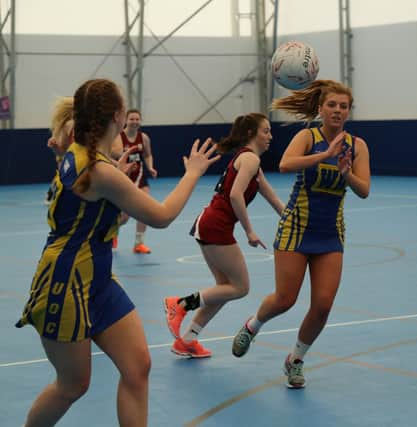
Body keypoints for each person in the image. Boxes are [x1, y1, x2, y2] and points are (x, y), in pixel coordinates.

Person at [15, 78, 219, 427]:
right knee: (73, 385)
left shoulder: (79, 152)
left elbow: (100, 218)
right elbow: (163, 216)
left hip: (97, 280)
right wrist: (193, 172)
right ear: (118, 116)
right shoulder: (100, 170)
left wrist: (117, 199)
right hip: (65, 285)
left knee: (138, 366)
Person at [231, 80, 371, 388]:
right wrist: (324, 156)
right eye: (332, 105)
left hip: (330, 233)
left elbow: (365, 191)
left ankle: (295, 359)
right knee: (284, 300)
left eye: (343, 106)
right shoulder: (308, 137)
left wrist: (347, 173)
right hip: (296, 227)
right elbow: (284, 164)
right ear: (321, 108)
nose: (337, 110)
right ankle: (253, 325)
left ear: (349, 111)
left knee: (322, 306)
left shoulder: (357, 146)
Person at [163, 113, 284, 358]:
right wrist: (249, 230)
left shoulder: (251, 162)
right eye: (266, 131)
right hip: (216, 226)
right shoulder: (249, 158)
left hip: (208, 223)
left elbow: (270, 195)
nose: (270, 136)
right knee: (240, 288)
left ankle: (187, 340)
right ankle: (181, 304)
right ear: (251, 134)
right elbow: (235, 195)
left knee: (224, 289)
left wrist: (291, 217)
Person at [112, 109, 158, 253]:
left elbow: (148, 155)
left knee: (144, 209)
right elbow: (109, 156)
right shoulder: (118, 138)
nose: (135, 122)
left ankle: (139, 243)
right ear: (126, 120)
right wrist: (120, 164)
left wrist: (150, 167)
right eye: (132, 119)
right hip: (124, 180)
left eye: (137, 119)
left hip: (140, 178)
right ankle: (113, 231)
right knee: (124, 217)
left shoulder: (143, 138)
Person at [44, 97, 74, 205]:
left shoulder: (74, 125)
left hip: (71, 156)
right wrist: (55, 147)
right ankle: (52, 194)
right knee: (61, 176)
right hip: (65, 156)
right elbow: (60, 150)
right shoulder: (62, 126)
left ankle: (52, 194)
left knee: (62, 176)